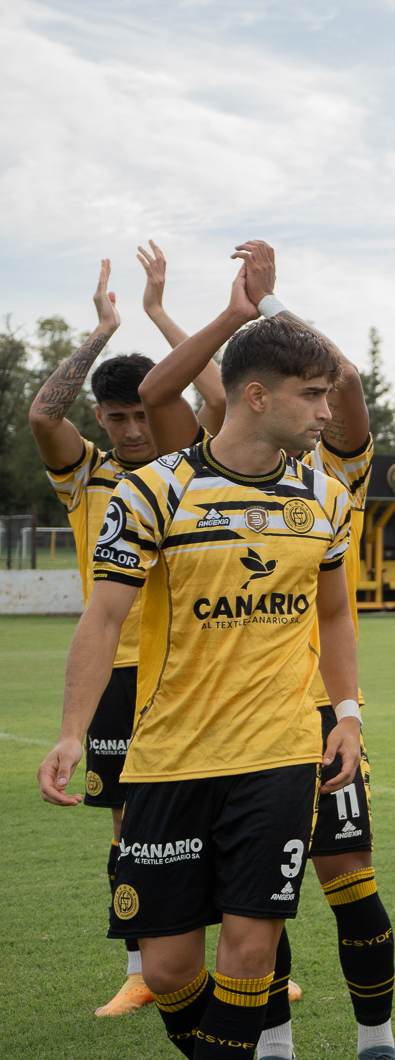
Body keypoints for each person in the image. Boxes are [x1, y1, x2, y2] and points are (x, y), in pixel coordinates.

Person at [36, 307, 363, 1060]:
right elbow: (104, 618)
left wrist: (344, 713)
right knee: (170, 968)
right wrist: (71, 731)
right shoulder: (152, 491)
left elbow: (337, 615)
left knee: (250, 954)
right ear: (256, 395)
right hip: (169, 756)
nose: (327, 410)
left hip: (278, 755)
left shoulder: (325, 498)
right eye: (313, 394)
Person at [136, 241, 395, 1059]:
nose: (319, 409)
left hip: (315, 713)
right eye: (303, 396)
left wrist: (275, 308)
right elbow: (170, 389)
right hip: (224, 727)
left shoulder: (335, 467)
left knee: (350, 887)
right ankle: (270, 1047)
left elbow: (342, 378)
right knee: (256, 906)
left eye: (320, 398)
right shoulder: (222, 459)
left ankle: (376, 1041)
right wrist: (227, 316)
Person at [28, 248, 225, 1018]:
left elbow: (211, 392)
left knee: (218, 815)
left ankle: (238, 959)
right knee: (130, 824)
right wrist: (105, 328)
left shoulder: (190, 465)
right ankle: (144, 969)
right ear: (103, 421)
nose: (135, 427)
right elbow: (46, 414)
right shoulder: (89, 474)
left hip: (193, 670)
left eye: (143, 411)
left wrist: (159, 315)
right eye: (119, 417)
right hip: (117, 673)